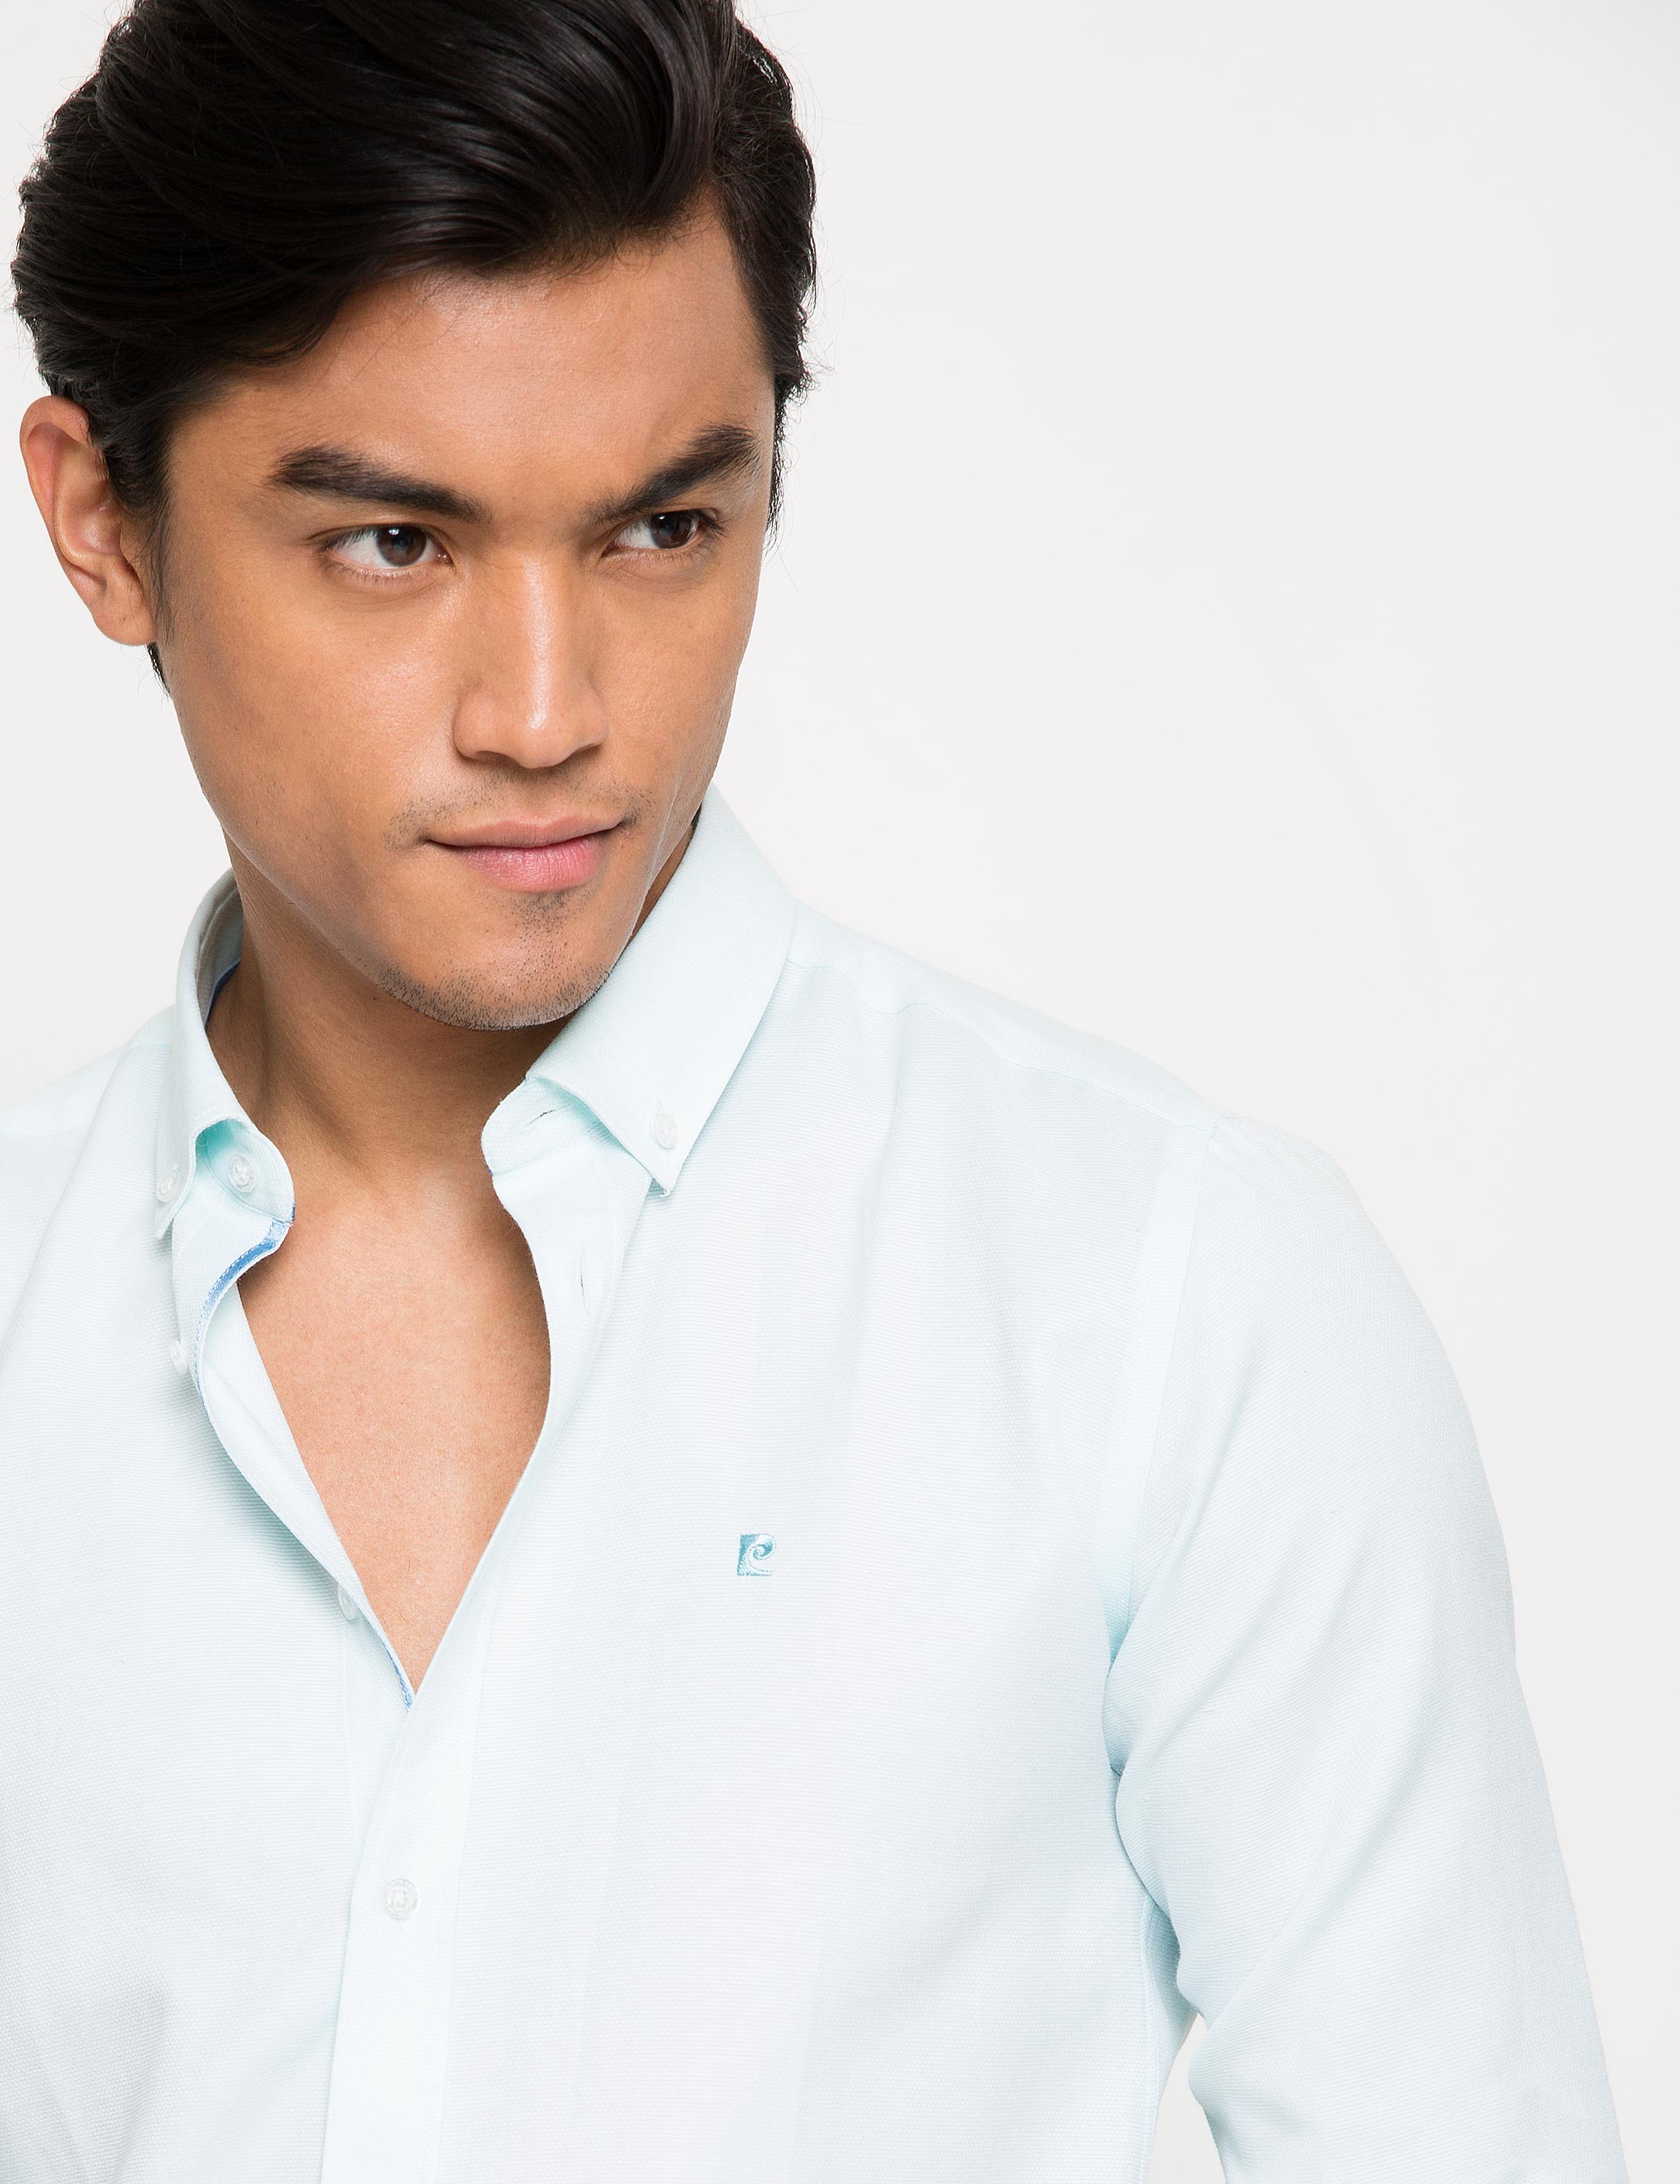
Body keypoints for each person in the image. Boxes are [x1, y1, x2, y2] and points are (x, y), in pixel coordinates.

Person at [0, 2, 1628, 2179]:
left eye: (663, 529)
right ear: (101, 521)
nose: (547, 712)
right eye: (395, 544)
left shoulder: (1173, 1299)